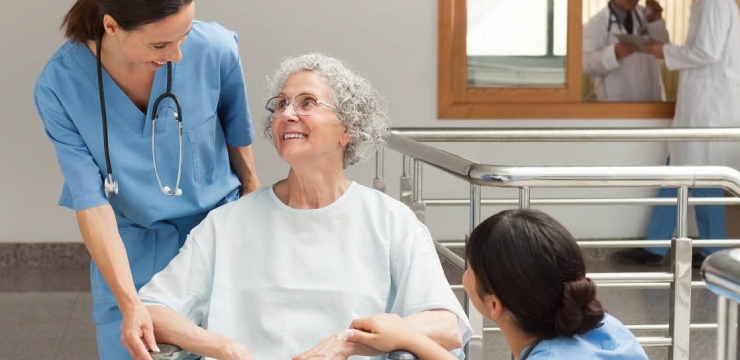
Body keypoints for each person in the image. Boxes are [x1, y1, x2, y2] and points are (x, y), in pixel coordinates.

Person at [137, 53, 472, 360]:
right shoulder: (227, 224)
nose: (287, 114)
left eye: (307, 102)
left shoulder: (390, 221)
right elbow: (150, 310)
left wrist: (348, 343)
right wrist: (222, 346)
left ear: (347, 129)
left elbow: (446, 327)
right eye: (281, 104)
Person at [33, 1, 260, 359]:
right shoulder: (60, 85)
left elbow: (240, 145)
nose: (178, 55)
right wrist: (129, 302)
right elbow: (91, 203)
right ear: (111, 26)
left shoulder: (214, 49)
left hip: (215, 238)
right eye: (160, 45)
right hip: (129, 252)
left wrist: (254, 225)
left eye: (184, 35)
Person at [346, 209, 648, 360]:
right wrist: (410, 337)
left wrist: (408, 338)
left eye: (470, 267)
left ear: (493, 305)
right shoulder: (608, 328)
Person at [615, 0, 740, 267]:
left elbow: (707, 51)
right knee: (677, 169)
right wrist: (664, 48)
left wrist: (663, 50)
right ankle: (657, 245)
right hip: (701, 103)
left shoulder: (715, 3)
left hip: (710, 106)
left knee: (703, 177)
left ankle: (709, 249)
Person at [583, 0, 669, 102]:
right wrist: (614, 53)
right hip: (616, 102)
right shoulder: (596, 24)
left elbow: (665, 51)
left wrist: (656, 21)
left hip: (650, 100)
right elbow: (585, 64)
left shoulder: (648, 15)